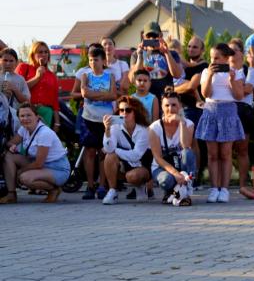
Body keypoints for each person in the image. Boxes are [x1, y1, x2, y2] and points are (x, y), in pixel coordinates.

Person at [196, 43, 246, 203]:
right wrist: (210, 76)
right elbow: (205, 94)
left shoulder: (236, 72)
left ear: (226, 58)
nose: (213, 61)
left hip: (228, 111)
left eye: (217, 58)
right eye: (211, 58)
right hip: (211, 110)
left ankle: (224, 189)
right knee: (212, 154)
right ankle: (214, 188)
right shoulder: (206, 72)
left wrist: (231, 79)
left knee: (225, 153)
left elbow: (239, 96)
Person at [0, 103, 70, 203]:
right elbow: (10, 143)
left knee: (24, 178)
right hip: (40, 164)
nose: (25, 118)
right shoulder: (24, 129)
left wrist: (20, 171)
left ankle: (54, 190)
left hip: (57, 168)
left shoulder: (44, 133)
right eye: (22, 116)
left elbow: (38, 164)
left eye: (29, 115)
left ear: (37, 117)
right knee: (9, 156)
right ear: (19, 118)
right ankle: (11, 194)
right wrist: (12, 146)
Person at [76, 46, 117, 199]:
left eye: (96, 60)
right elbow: (84, 93)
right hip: (89, 119)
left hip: (105, 120)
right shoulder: (85, 75)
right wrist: (102, 94)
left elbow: (113, 95)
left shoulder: (110, 76)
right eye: (91, 60)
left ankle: (102, 185)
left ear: (103, 61)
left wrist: (94, 95)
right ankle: (90, 185)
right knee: (89, 152)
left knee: (103, 152)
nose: (93, 63)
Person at [101, 96, 153, 205]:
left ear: (135, 112)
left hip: (143, 165)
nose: (124, 113)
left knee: (132, 176)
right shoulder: (115, 127)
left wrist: (116, 150)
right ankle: (112, 191)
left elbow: (136, 155)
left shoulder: (143, 130)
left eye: (128, 110)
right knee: (109, 156)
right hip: (126, 164)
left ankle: (141, 186)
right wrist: (107, 130)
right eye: (121, 110)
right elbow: (108, 149)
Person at [148, 88, 196, 205]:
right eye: (167, 105)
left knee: (188, 153)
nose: (170, 109)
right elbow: (158, 158)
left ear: (180, 106)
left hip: (182, 166)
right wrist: (175, 174)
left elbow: (185, 145)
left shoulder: (189, 124)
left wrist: (182, 122)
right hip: (162, 167)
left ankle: (184, 194)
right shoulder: (154, 128)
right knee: (166, 180)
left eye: (174, 105)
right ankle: (171, 192)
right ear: (162, 107)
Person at [174, 36, 209, 185]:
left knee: (192, 143)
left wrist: (172, 89)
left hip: (195, 109)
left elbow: (191, 86)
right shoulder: (182, 66)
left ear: (202, 50)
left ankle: (195, 177)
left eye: (195, 47)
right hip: (180, 108)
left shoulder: (204, 67)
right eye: (189, 46)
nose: (191, 49)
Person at [229, 38, 254, 188]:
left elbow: (247, 90)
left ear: (242, 53)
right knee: (225, 150)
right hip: (227, 110)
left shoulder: (249, 70)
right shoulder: (223, 70)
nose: (231, 53)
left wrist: (232, 87)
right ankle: (223, 185)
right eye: (229, 50)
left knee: (242, 149)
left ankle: (242, 185)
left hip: (243, 112)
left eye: (235, 50)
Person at [129, 22, 183, 99]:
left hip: (166, 98)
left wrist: (167, 53)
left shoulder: (172, 53)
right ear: (143, 37)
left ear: (161, 35)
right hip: (145, 98)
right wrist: (140, 56)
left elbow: (177, 75)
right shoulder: (136, 54)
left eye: (155, 36)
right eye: (148, 36)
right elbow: (132, 79)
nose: (152, 39)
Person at [15, 41, 59, 129]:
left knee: (42, 137)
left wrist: (57, 123)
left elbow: (55, 101)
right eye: (40, 52)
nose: (44, 55)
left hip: (46, 113)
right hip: (26, 112)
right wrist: (37, 77)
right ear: (33, 55)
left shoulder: (52, 76)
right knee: (23, 136)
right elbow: (17, 89)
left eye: (46, 52)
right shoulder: (24, 67)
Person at [1, 48, 30, 134]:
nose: (8, 63)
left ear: (16, 62)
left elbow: (26, 101)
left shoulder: (20, 79)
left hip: (15, 119)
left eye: (11, 61)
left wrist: (14, 89)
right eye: (5, 60)